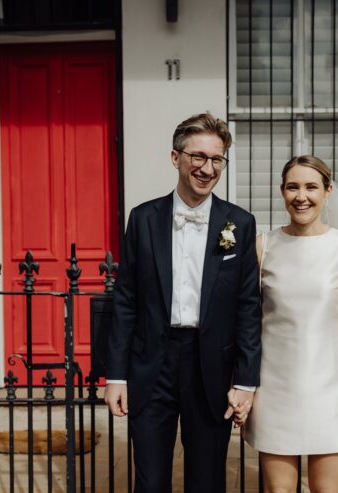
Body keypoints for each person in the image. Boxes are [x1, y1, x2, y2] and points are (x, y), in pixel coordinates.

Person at [104, 113, 262, 493]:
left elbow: (248, 306)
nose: (208, 168)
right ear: (176, 157)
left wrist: (245, 380)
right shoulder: (143, 218)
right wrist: (116, 376)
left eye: (217, 159)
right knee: (150, 481)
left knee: (207, 481)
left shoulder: (239, 224)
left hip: (211, 367)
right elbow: (126, 300)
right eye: (198, 157)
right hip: (151, 364)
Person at [242, 155, 338, 493]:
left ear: (328, 191)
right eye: (293, 187)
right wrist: (243, 387)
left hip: (331, 390)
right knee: (278, 490)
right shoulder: (262, 247)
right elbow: (247, 323)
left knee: (326, 490)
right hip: (274, 388)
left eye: (311, 187)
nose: (301, 196)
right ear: (282, 192)